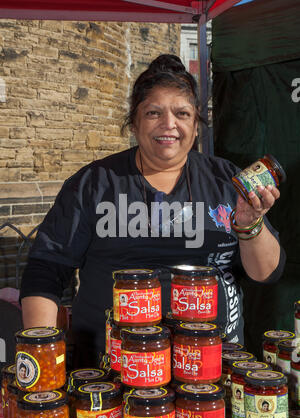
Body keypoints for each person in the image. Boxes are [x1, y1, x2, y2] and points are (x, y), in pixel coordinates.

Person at [20, 54, 286, 367]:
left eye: (182, 113)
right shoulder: (94, 184)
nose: (169, 124)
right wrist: (43, 358)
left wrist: (250, 225)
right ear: (134, 122)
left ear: (196, 123)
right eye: (153, 113)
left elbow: (266, 273)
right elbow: (46, 270)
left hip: (210, 368)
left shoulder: (225, 181)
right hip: (108, 372)